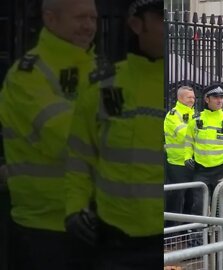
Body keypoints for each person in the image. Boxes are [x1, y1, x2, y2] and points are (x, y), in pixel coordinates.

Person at [64, 0, 165, 268]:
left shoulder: (185, 92)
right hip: (113, 240)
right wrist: (75, 208)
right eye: (162, 17)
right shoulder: (103, 85)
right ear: (136, 24)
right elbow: (79, 155)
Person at [0, 0, 97, 269]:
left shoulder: (97, 67)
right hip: (47, 227)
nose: (89, 26)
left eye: (93, 18)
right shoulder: (28, 74)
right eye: (80, 18)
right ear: (51, 19)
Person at [184, 84, 223, 219]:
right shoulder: (196, 120)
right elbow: (189, 142)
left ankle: (218, 237)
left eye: (221, 97)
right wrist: (187, 157)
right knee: (199, 206)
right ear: (207, 99)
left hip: (221, 170)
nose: (220, 100)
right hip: (201, 170)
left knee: (220, 207)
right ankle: (197, 238)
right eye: (216, 97)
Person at [164, 85, 195, 226]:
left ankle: (185, 232)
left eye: (193, 97)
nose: (192, 100)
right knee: (176, 200)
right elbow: (185, 135)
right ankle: (172, 232)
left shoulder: (195, 114)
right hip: (177, 163)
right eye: (189, 97)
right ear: (180, 98)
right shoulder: (173, 115)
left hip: (191, 162)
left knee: (191, 199)